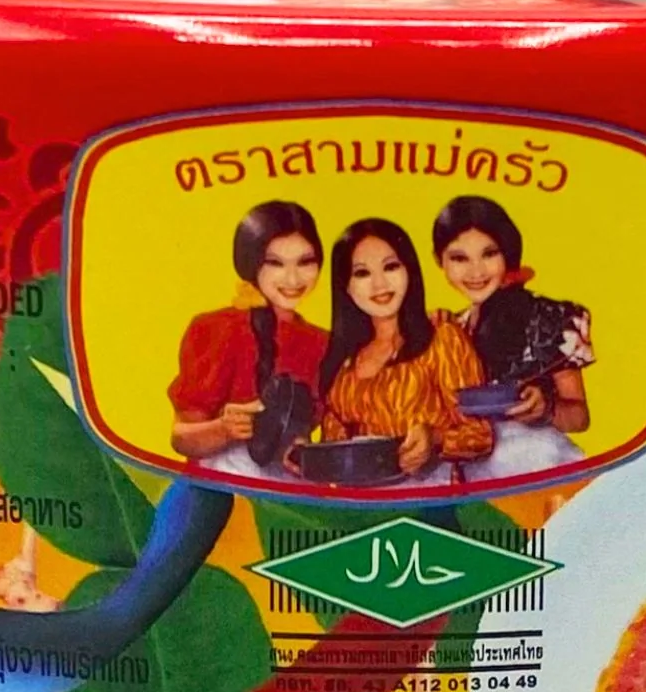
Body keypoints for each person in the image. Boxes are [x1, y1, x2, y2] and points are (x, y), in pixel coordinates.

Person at [314, 218, 493, 479]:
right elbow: (333, 448)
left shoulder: (443, 339)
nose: (380, 285)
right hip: (363, 497)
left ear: (409, 271)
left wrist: (435, 438)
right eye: (362, 273)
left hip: (435, 490)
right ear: (346, 287)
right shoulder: (344, 365)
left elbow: (481, 434)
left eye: (390, 267)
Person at [431, 194, 592, 482]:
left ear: (507, 253)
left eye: (489, 254)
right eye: (459, 258)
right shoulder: (449, 328)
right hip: (473, 470)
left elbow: (579, 417)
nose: (476, 271)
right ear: (439, 261)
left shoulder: (550, 317)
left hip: (536, 461)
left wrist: (546, 409)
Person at [168, 201, 325, 477]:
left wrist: (297, 449)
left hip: (287, 486)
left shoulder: (321, 343)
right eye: (275, 263)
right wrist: (224, 429)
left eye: (305, 262)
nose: (293, 278)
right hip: (220, 482)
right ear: (250, 263)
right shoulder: (215, 329)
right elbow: (181, 437)